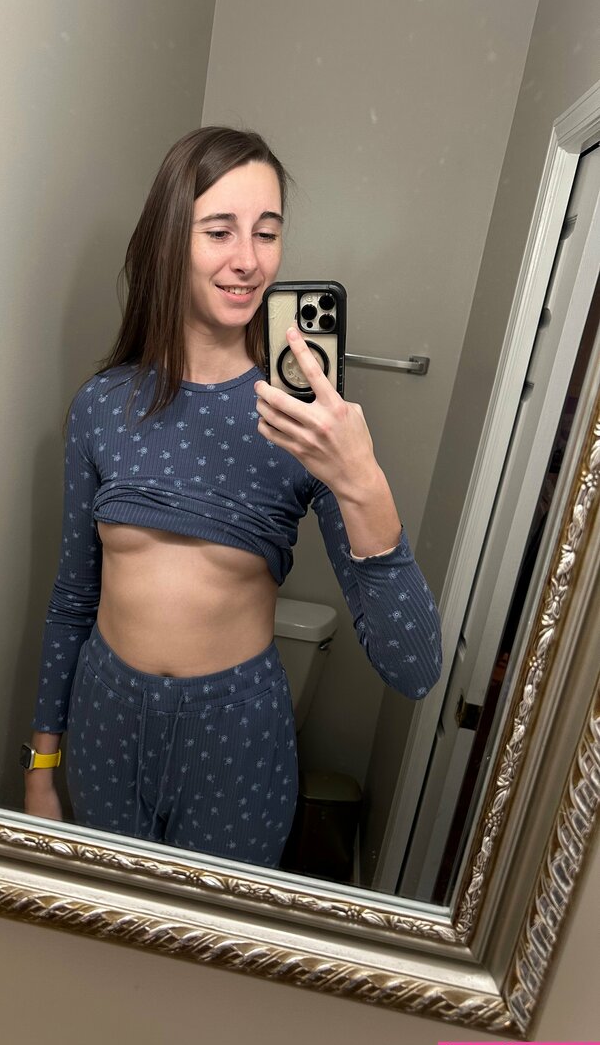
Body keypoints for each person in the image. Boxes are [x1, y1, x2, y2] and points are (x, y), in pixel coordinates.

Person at [22, 126, 442, 869]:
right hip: (104, 717)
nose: (248, 259)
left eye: (267, 233)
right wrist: (41, 765)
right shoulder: (103, 405)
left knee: (209, 940)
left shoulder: (306, 419)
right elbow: (71, 600)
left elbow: (413, 666)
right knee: (107, 927)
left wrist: (361, 478)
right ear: (170, 241)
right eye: (220, 231)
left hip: (235, 739)